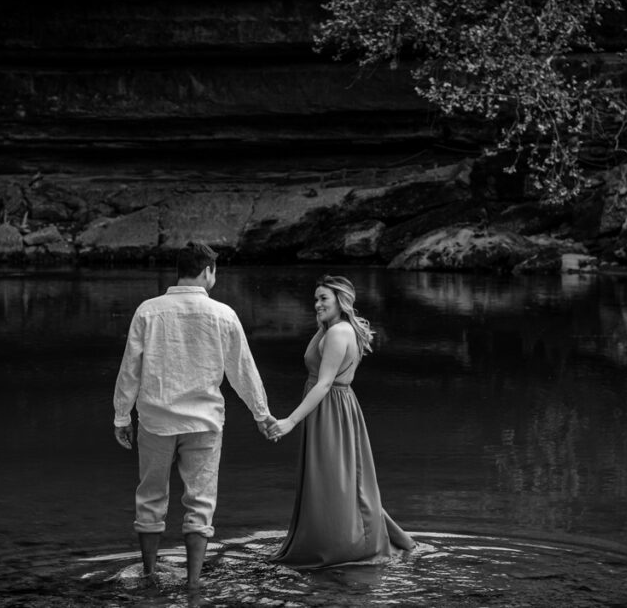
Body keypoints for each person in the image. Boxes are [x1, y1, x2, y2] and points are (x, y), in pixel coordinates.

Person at [113, 241, 275, 589]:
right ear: (207, 271)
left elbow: (131, 368)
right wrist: (261, 415)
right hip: (204, 422)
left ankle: (149, 574)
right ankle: (193, 582)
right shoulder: (223, 314)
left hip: (156, 419)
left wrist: (121, 416)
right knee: (200, 501)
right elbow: (242, 370)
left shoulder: (148, 310)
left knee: (150, 496)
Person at [266, 274, 415, 568]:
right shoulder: (330, 328)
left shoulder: (337, 333)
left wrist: (290, 421)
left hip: (330, 408)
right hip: (327, 409)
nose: (317, 304)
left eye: (324, 299)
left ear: (340, 300)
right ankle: (344, 537)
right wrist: (323, 323)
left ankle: (350, 543)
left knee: (338, 480)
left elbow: (323, 384)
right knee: (335, 479)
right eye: (316, 299)